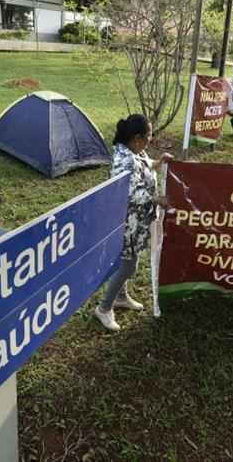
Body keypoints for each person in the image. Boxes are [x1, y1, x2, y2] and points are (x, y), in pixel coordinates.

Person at [94, 114, 173, 332]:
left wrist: (158, 162)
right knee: (129, 265)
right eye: (149, 135)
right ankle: (104, 308)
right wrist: (158, 199)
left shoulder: (134, 152)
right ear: (137, 138)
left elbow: (144, 167)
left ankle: (120, 296)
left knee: (127, 261)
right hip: (124, 223)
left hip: (134, 221)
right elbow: (129, 193)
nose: (151, 138)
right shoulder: (124, 159)